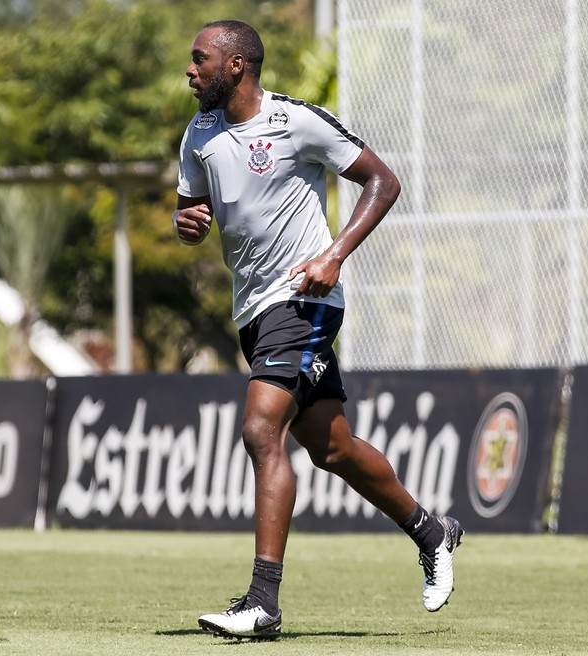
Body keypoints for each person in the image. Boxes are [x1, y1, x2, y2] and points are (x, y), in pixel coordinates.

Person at [174, 19, 463, 641]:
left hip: (303, 300)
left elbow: (383, 181)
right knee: (332, 448)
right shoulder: (198, 133)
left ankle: (263, 602)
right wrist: (188, 222)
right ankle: (432, 532)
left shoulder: (295, 122)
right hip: (252, 311)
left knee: (259, 428)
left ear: (236, 66)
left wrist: (335, 254)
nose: (190, 70)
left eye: (200, 60)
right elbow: (190, 206)